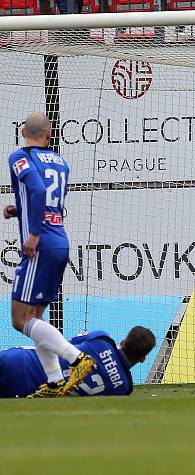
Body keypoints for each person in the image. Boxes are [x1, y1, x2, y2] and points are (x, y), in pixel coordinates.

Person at [3, 113, 95, 398]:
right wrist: (20, 210)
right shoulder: (60, 162)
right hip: (58, 241)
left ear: (21, 131)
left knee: (20, 320)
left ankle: (77, 359)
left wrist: (33, 232)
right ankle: (55, 381)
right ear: (50, 134)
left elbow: (39, 189)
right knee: (37, 318)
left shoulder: (19, 157)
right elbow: (52, 200)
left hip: (40, 245)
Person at [0, 326, 156, 398]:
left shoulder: (102, 340)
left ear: (123, 342)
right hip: (28, 391)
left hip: (19, 361)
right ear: (143, 358)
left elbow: (66, 344)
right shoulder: (123, 388)